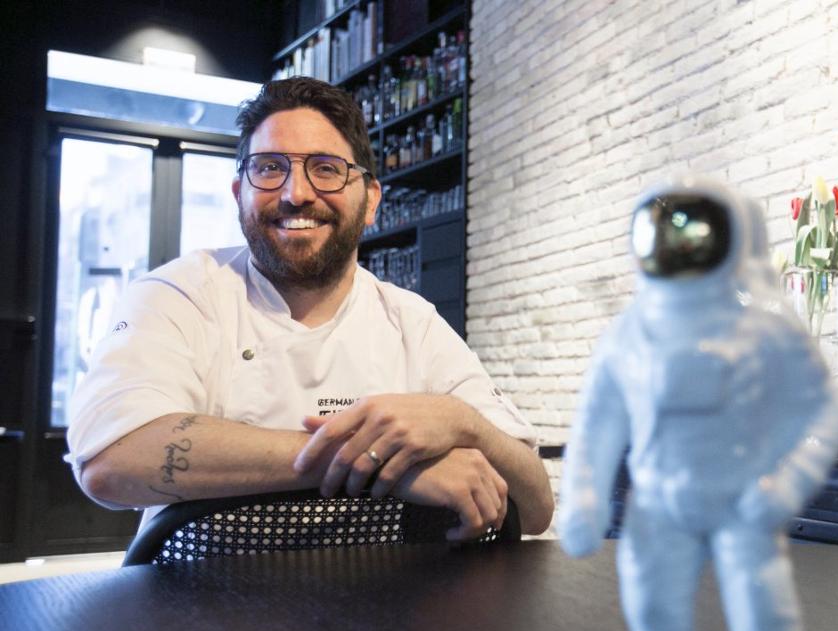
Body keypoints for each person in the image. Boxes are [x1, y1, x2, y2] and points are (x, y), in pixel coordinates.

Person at [67, 77, 553, 540]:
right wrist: (380, 461)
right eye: (269, 167)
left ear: (370, 201)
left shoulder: (412, 321)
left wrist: (462, 422)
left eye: (326, 168)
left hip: (388, 610)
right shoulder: (179, 295)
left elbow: (535, 509)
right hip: (203, 610)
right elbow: (110, 462)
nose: (296, 192)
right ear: (240, 195)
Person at [556, 178, 838, 631]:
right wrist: (583, 496)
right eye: (663, 230)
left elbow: (825, 408)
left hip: (744, 498)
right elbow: (597, 424)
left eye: (695, 231)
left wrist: (788, 481)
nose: (677, 244)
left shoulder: (766, 327)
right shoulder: (629, 334)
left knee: (761, 598)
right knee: (648, 592)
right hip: (658, 499)